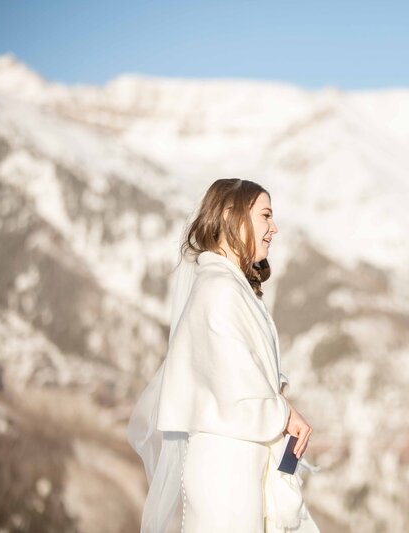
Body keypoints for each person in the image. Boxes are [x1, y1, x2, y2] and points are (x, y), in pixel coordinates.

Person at [128, 178, 319, 533]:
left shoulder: (233, 289)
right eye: (265, 215)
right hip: (227, 475)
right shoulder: (218, 291)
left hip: (239, 468)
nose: (274, 228)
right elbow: (237, 394)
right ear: (233, 215)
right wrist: (285, 412)